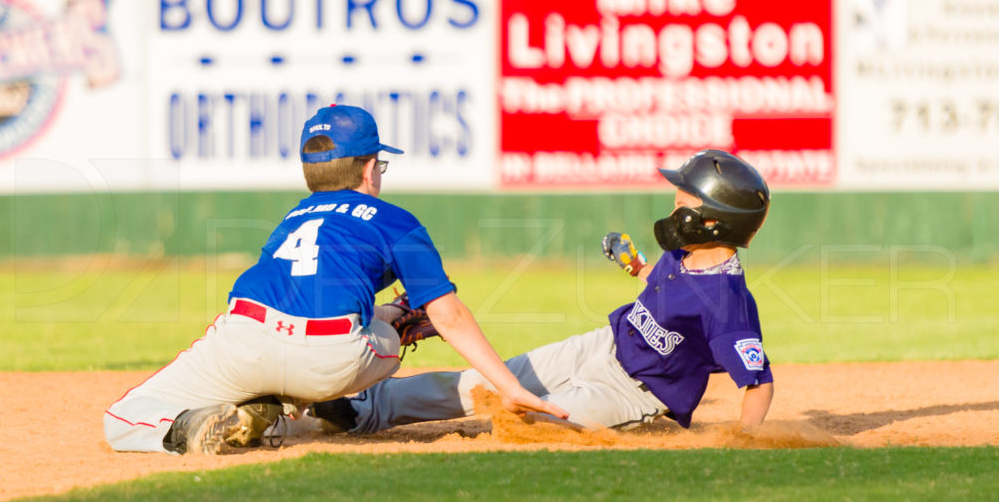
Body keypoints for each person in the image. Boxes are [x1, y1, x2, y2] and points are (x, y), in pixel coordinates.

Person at [104, 104, 567, 455]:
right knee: (393, 327)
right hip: (332, 361)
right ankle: (338, 407)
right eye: (379, 165)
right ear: (369, 168)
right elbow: (449, 315)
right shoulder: (396, 221)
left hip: (243, 338)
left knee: (121, 418)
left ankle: (186, 428)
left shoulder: (291, 219)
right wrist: (510, 387)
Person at [306, 149, 774, 436]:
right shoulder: (683, 255)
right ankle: (365, 409)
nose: (673, 212)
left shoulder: (729, 304)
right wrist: (634, 265)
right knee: (493, 383)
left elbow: (758, 383)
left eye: (682, 205)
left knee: (538, 424)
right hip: (599, 346)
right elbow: (663, 286)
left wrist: (744, 442)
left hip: (637, 394)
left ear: (714, 222)